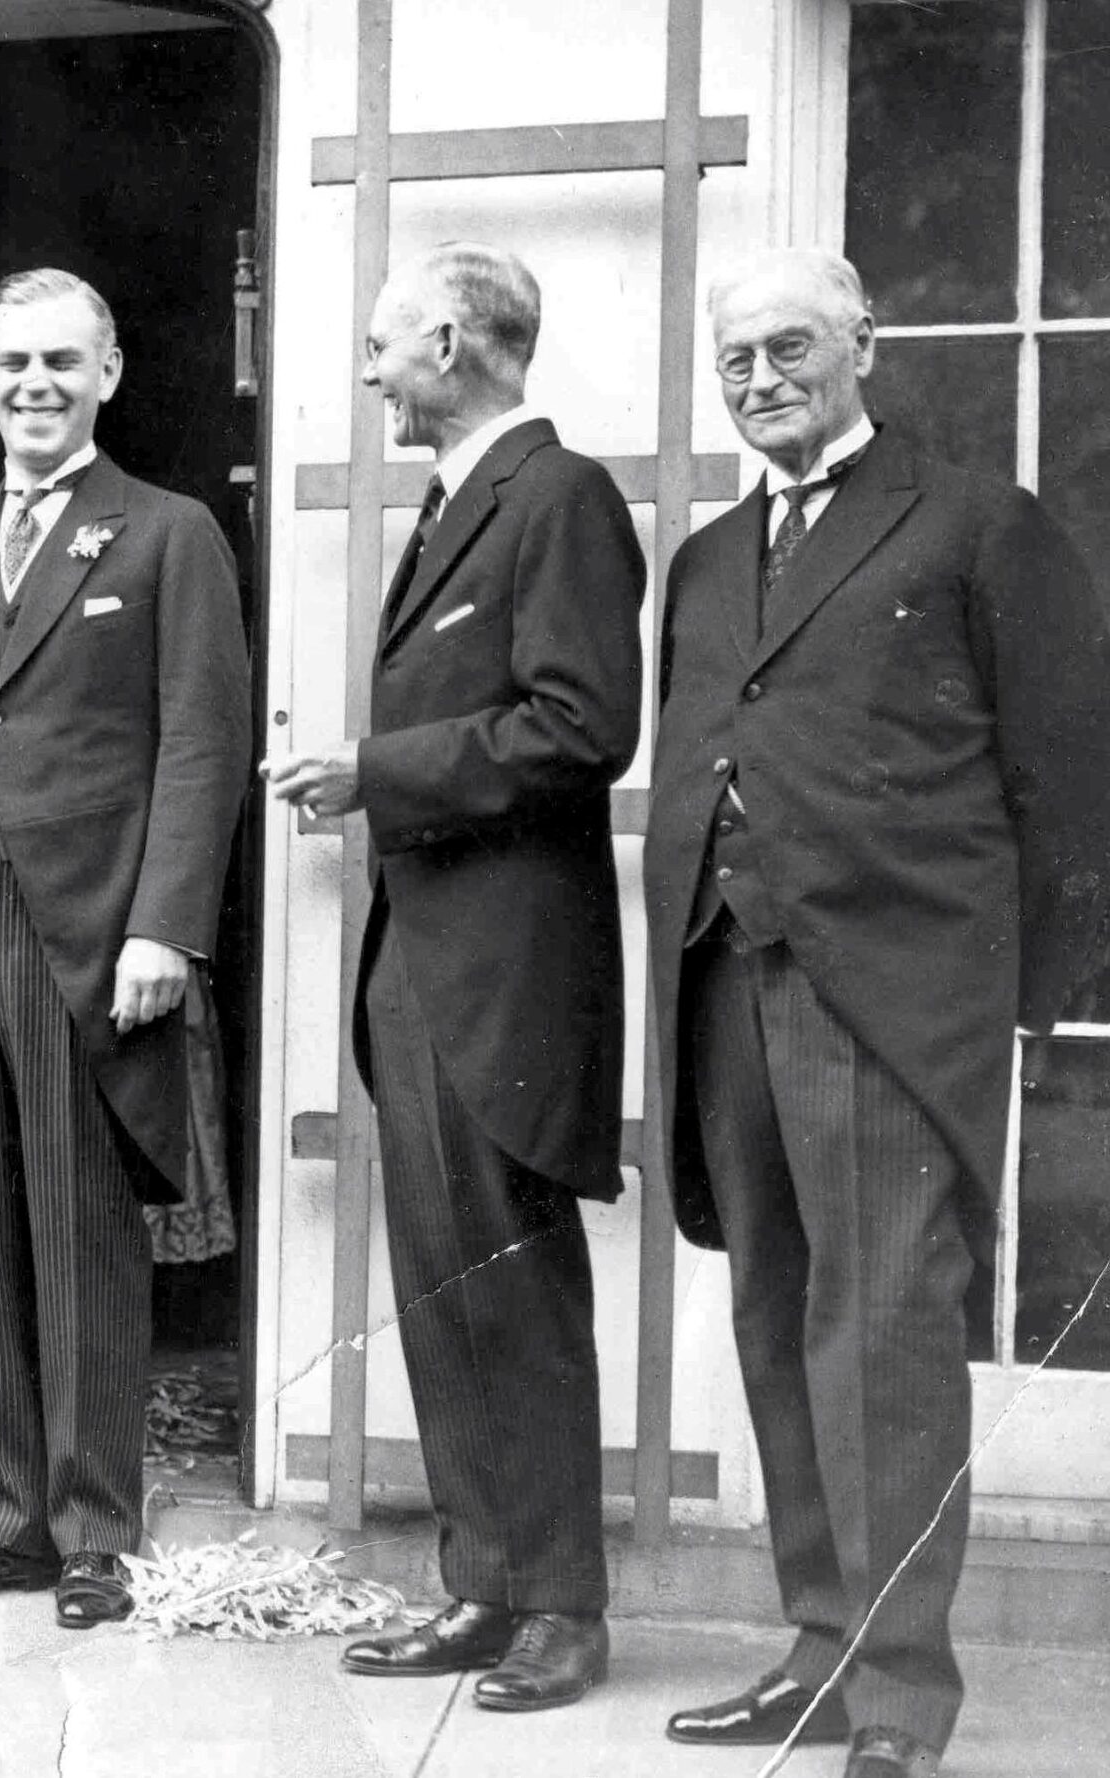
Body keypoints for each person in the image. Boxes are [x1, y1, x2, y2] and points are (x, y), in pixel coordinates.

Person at [646, 248, 1110, 1778]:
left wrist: (1024, 1012)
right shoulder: (709, 558)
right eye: (737, 363)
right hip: (730, 976)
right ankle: (818, 1648)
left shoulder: (978, 523)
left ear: (865, 347)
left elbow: (1065, 783)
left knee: (887, 1338)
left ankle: (900, 1699)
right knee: (777, 1316)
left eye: (791, 348)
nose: (762, 380)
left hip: (897, 999)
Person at [261, 242, 638, 1711]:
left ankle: (561, 1607)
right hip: (433, 960)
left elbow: (579, 725)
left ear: (462, 341)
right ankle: (486, 1586)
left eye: (383, 343)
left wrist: (373, 770)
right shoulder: (466, 500)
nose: (367, 372)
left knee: (513, 1288)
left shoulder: (559, 497)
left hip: (507, 973)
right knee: (446, 1288)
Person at [0, 269, 251, 1630]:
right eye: (12, 361)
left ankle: (94, 1531)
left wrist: (167, 927)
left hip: (91, 930)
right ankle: (4, 1516)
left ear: (110, 371)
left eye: (61, 362)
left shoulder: (167, 531)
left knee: (83, 1235)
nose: (35, 383)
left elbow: (203, 746)